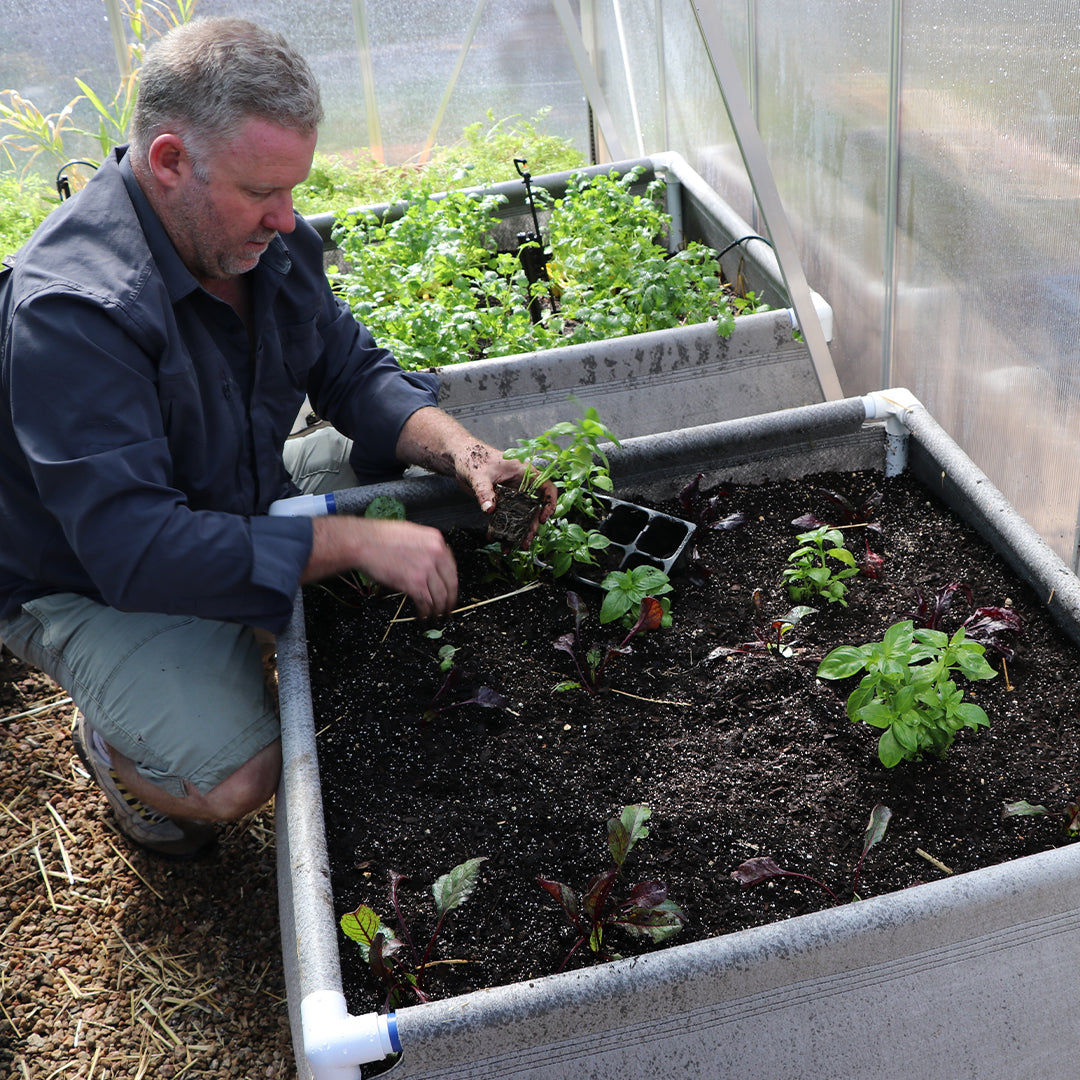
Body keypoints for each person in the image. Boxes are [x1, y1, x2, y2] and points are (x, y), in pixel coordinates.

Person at [0, 17, 552, 858]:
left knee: (433, 488)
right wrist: (354, 538)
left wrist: (457, 448)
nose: (287, 220)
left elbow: (350, 370)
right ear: (171, 162)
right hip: (82, 576)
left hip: (225, 490)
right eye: (263, 192)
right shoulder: (76, 312)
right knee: (239, 776)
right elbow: (135, 548)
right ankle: (116, 748)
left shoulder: (257, 242)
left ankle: (252, 619)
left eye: (294, 188)